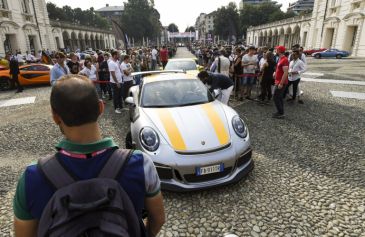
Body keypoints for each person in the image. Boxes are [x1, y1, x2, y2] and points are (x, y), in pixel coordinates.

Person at [13, 75, 165, 237]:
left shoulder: (32, 177)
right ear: (100, 108)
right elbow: (158, 219)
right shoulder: (140, 164)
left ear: (55, 117)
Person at [272, 46, 289, 119]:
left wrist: (281, 83)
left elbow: (285, 72)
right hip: (278, 81)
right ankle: (280, 112)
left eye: (276, 49)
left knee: (276, 97)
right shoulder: (280, 58)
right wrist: (275, 72)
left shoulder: (284, 60)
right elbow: (279, 69)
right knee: (279, 97)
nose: (275, 50)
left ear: (279, 51)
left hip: (281, 82)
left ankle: (281, 113)